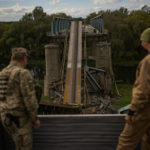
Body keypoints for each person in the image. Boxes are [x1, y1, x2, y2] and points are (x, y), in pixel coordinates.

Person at [116, 28, 150, 150]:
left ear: (147, 41)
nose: (141, 41)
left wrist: (132, 111)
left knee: (126, 141)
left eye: (143, 38)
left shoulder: (148, 61)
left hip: (144, 110)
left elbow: (143, 90)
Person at [0, 47, 40, 150]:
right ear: (24, 58)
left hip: (5, 117)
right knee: (24, 147)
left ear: (12, 58)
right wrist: (34, 119)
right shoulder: (23, 73)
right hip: (19, 118)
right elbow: (29, 99)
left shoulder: (2, 73)